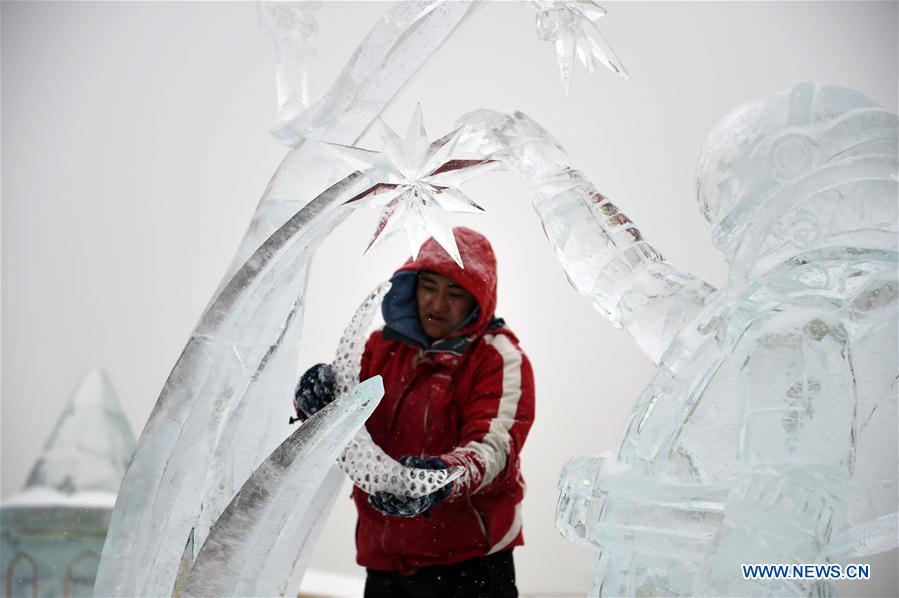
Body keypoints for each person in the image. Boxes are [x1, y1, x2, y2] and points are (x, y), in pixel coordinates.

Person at [295, 227, 535, 598]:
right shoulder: (381, 348)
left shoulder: (497, 358)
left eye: (455, 293)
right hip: (386, 563)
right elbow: (341, 415)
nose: (437, 305)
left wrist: (440, 479)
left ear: (479, 299)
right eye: (429, 287)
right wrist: (312, 400)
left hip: (471, 568)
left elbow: (494, 448)